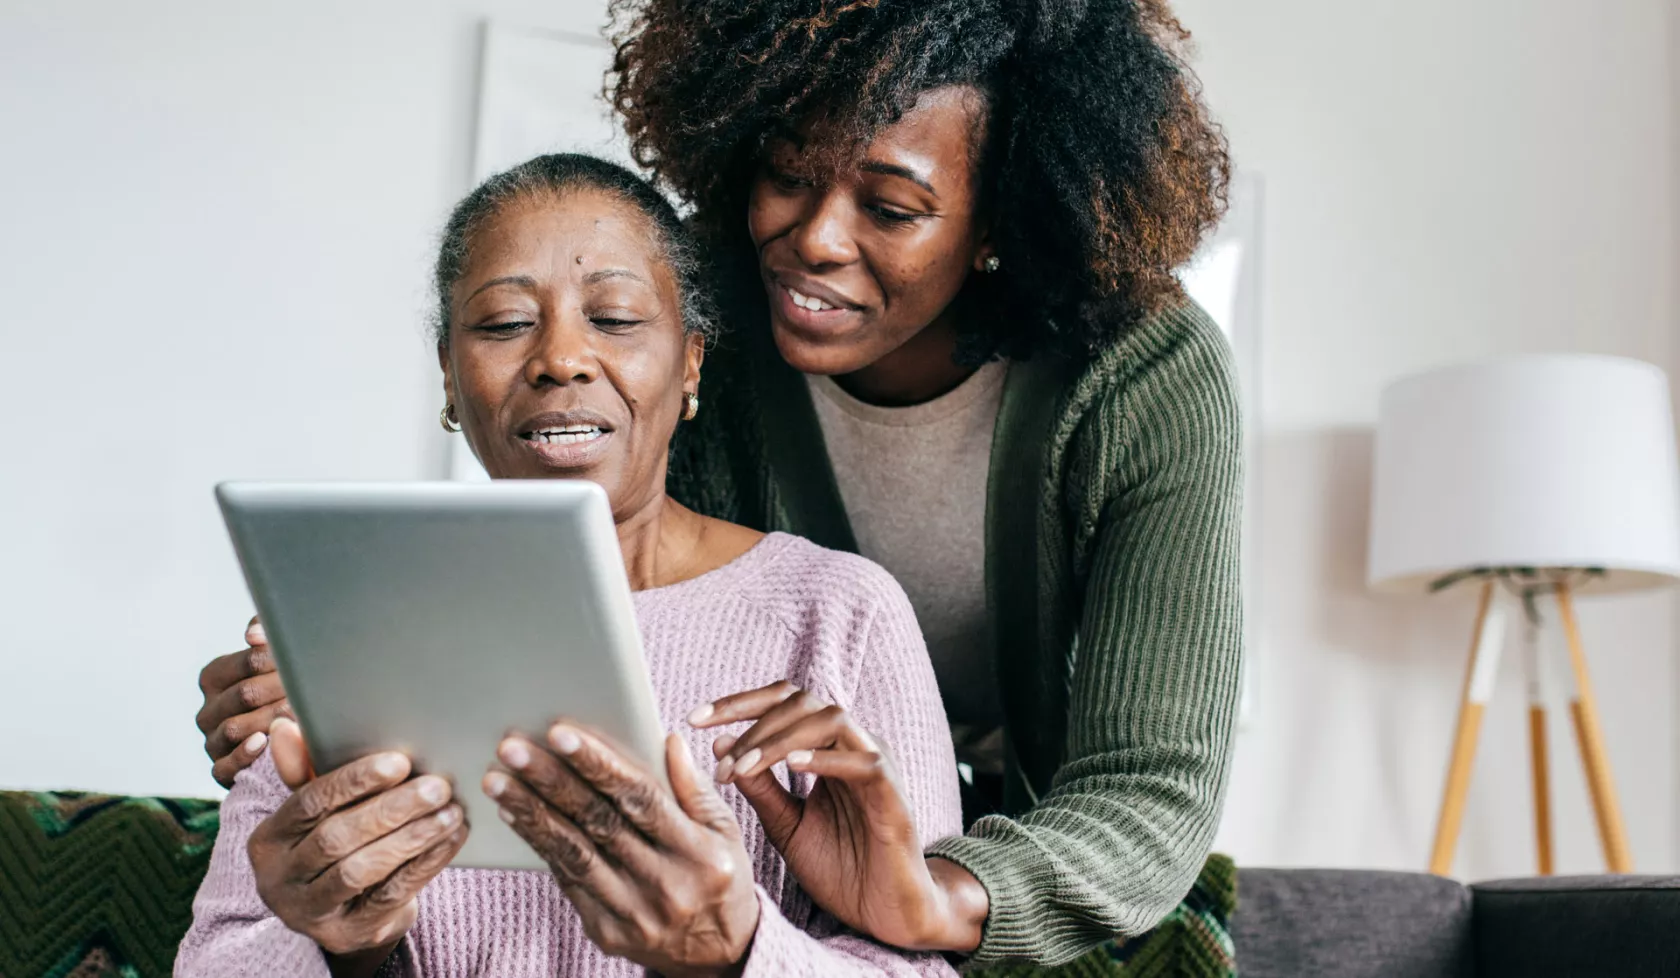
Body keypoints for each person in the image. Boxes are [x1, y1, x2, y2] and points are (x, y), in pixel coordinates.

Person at [197, 0, 1245, 968]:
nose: (816, 240)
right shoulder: (710, 325)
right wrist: (310, 699)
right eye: (788, 177)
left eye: (890, 206)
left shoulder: (1140, 377)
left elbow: (1147, 784)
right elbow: (634, 592)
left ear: (1000, 227)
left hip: (1002, 846)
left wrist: (934, 897)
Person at [177, 153, 965, 978]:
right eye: (504, 324)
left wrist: (733, 955)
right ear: (449, 372)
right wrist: (350, 949)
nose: (561, 358)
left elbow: (921, 968)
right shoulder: (341, 622)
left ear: (691, 364)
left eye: (617, 319)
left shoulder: (839, 612)